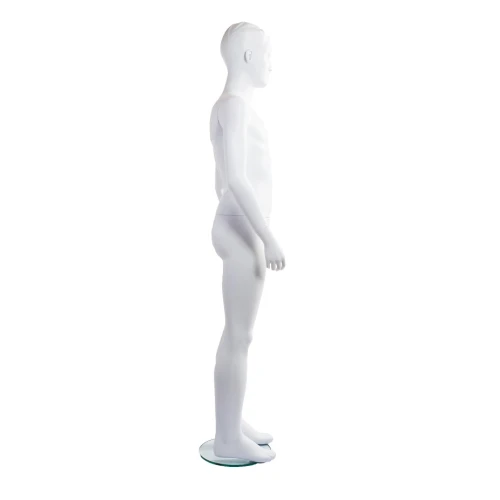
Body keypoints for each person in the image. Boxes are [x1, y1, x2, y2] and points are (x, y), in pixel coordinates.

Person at [209, 22, 285, 463]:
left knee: (237, 334)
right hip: (243, 229)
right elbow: (236, 177)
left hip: (232, 222)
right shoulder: (236, 106)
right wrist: (266, 235)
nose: (272, 63)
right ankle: (226, 439)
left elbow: (218, 180)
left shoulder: (222, 106)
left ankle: (231, 422)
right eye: (267, 53)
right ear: (248, 56)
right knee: (240, 335)